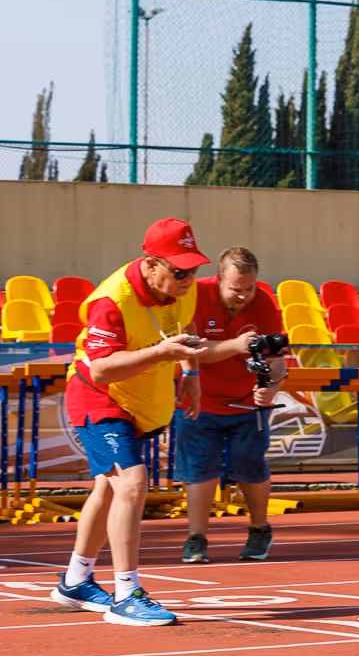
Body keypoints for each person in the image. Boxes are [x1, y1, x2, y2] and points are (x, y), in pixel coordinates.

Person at [50, 218, 209, 626]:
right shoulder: (112, 301)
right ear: (150, 263)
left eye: (193, 269)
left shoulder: (180, 291)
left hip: (136, 400)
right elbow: (101, 370)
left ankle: (75, 580)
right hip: (98, 396)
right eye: (179, 271)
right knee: (133, 484)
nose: (188, 279)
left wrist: (190, 374)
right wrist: (161, 354)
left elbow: (186, 332)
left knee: (107, 488)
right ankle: (126, 594)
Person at [177, 247, 287, 564]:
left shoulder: (264, 303)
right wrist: (236, 346)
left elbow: (277, 360)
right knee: (199, 469)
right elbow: (192, 348)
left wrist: (271, 388)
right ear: (220, 279)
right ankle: (196, 538)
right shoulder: (195, 295)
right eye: (236, 289)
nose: (243, 296)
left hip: (245, 403)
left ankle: (259, 529)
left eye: (249, 288)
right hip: (200, 397)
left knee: (249, 465)